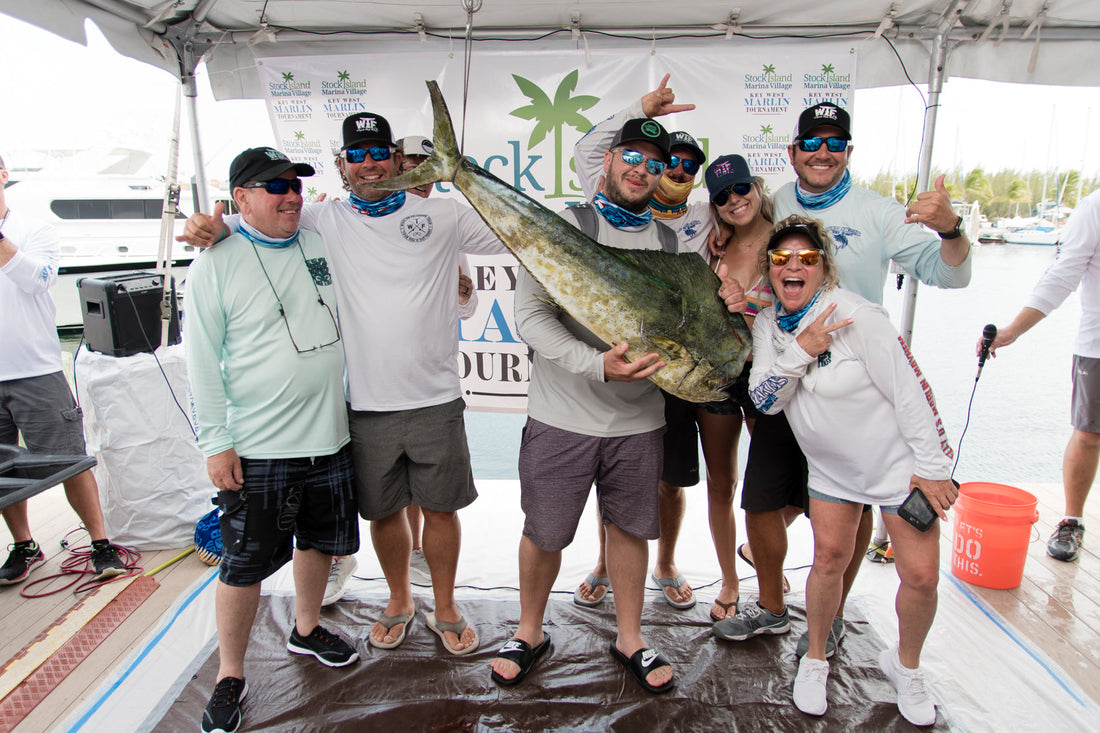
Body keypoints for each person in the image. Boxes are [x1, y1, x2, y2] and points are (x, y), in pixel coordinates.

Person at [180, 111, 506, 657]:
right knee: (382, 514)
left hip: (436, 399)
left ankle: (445, 605)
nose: (370, 164)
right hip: (362, 405)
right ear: (341, 166)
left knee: (442, 512)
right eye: (356, 155)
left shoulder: (444, 214)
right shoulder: (322, 219)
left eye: (379, 151)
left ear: (400, 159)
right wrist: (215, 226)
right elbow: (259, 218)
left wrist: (468, 178)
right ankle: (399, 599)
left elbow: (517, 229)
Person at [488, 117, 747, 693]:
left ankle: (630, 636)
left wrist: (726, 300)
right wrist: (594, 364)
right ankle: (529, 631)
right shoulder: (564, 225)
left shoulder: (673, 245)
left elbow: (705, 333)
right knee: (546, 531)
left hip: (639, 423)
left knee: (631, 530)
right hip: (561, 417)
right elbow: (530, 319)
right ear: (607, 161)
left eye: (655, 164)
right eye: (631, 156)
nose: (642, 170)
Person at [730, 101, 973, 657]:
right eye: (811, 142)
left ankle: (831, 616)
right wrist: (725, 242)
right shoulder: (775, 204)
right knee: (761, 501)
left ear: (848, 152)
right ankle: (770, 606)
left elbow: (949, 273)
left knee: (850, 505)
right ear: (792, 153)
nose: (822, 152)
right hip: (783, 380)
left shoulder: (882, 213)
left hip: (853, 388)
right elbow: (735, 229)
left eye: (834, 142)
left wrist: (952, 229)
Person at [749, 216, 956, 725]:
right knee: (828, 561)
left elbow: (911, 393)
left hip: (897, 470)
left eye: (806, 258)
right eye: (781, 259)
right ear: (770, 271)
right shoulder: (768, 326)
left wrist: (933, 467)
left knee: (922, 576)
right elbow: (764, 401)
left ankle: (906, 667)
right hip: (831, 474)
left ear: (824, 267)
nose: (793, 265)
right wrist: (802, 350)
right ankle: (815, 658)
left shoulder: (858, 315)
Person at [185, 147, 360, 733]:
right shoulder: (214, 260)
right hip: (257, 446)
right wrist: (216, 442)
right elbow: (202, 362)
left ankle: (306, 629)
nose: (291, 195)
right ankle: (229, 675)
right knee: (245, 565)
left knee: (319, 543)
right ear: (241, 199)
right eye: (274, 186)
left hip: (330, 436)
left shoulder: (315, 241)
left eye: (295, 185)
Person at [572, 74, 721, 615]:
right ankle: (605, 564)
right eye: (661, 162)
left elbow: (755, 225)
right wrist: (641, 107)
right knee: (610, 474)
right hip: (613, 368)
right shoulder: (600, 201)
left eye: (681, 166)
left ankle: (665, 564)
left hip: (674, 369)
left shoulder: (703, 218)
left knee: (668, 478)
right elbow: (589, 146)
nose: (670, 171)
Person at [0, 152, 126, 586]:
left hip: (34, 369)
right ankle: (23, 544)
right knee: (1, 469)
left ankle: (100, 543)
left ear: (2, 175)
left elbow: (36, 280)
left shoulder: (33, 230)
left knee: (71, 460)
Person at [986, 188, 1100, 562]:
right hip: (1097, 346)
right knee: (1089, 435)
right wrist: (1014, 330)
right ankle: (1072, 519)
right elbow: (1062, 275)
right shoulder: (1094, 207)